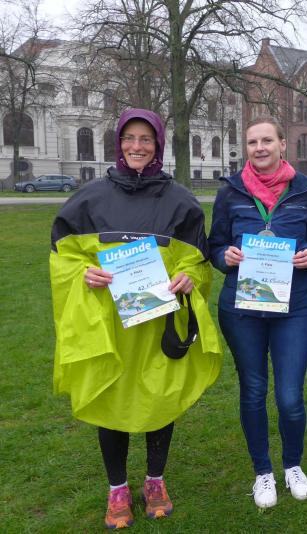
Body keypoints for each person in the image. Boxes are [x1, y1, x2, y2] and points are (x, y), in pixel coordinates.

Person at [50, 109, 222, 529]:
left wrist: (188, 277)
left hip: (158, 325)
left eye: (146, 139)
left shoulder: (180, 201)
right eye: (130, 138)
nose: (137, 146)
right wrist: (83, 273)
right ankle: (118, 489)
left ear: (158, 144)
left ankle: (155, 481)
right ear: (119, 143)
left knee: (160, 398)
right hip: (109, 327)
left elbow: (198, 263)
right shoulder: (88, 200)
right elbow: (63, 258)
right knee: (112, 401)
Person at [208, 116, 307, 509]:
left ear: (282, 144)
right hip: (242, 309)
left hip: (294, 308)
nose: (259, 148)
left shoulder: (305, 189)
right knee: (254, 390)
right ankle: (262, 471)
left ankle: (292, 465)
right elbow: (214, 244)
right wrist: (224, 256)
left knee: (290, 396)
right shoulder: (230, 191)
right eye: (252, 142)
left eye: (266, 141)